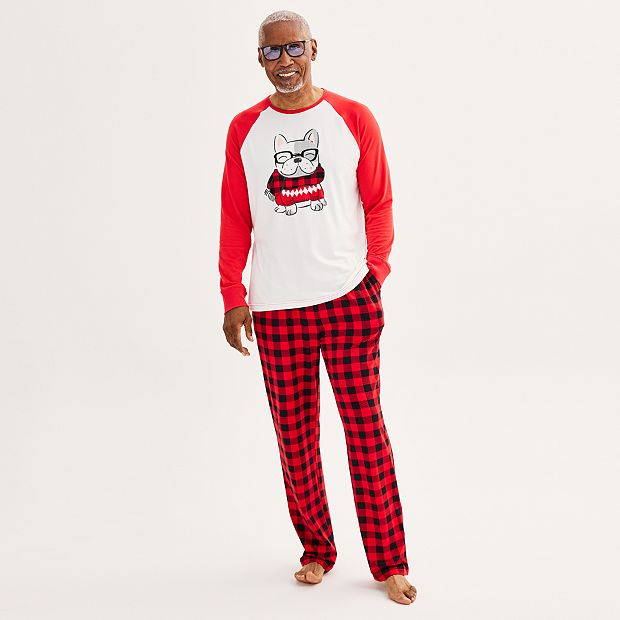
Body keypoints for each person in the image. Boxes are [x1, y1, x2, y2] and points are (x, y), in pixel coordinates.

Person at [218, 10, 417, 606]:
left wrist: (375, 274)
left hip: (349, 300)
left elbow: (379, 202)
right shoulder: (244, 129)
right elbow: (235, 217)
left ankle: (390, 561)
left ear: (313, 48)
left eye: (294, 48)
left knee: (366, 432)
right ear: (259, 59)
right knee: (295, 439)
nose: (285, 61)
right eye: (271, 52)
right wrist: (232, 295)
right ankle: (316, 549)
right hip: (277, 309)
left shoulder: (352, 118)